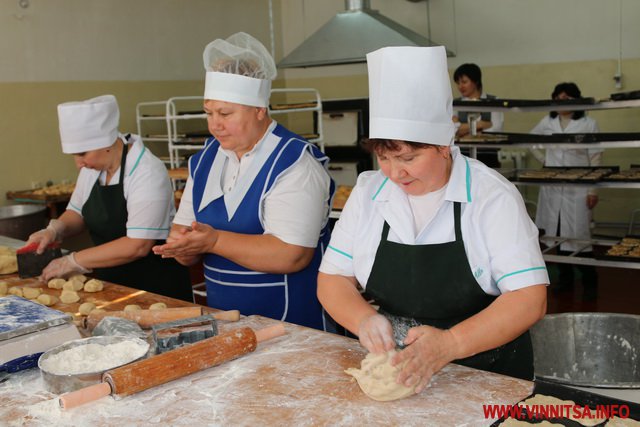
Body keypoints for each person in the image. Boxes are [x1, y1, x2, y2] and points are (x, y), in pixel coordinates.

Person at [317, 46, 548, 394]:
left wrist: (450, 343)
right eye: (384, 157)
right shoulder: (368, 193)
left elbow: (529, 298)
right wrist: (363, 319)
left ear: (443, 145)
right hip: (397, 366)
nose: (395, 173)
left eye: (408, 157)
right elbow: (332, 279)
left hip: (485, 372)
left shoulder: (490, 197)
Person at [152, 32, 335, 331]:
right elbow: (183, 232)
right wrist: (183, 249)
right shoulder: (206, 160)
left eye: (226, 113)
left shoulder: (294, 161)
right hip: (225, 319)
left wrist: (214, 240)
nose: (214, 125)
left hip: (291, 323)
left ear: (260, 110)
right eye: (209, 112)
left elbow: (292, 254)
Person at [27, 95, 192, 301]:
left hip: (155, 288)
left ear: (105, 143)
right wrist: (55, 229)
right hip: (112, 284)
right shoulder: (93, 168)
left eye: (82, 154)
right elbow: (77, 211)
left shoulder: (146, 171)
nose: (79, 164)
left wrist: (72, 261)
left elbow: (138, 245)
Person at [530, 82, 601, 301]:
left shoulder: (589, 123)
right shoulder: (548, 121)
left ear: (576, 100)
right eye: (558, 98)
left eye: (567, 98)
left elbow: (596, 156)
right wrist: (545, 161)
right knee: (557, 235)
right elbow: (531, 141)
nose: (562, 102)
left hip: (578, 189)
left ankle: (590, 282)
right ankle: (566, 280)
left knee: (580, 238)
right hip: (553, 189)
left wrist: (593, 190)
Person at [452, 63, 504, 167]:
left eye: (464, 82)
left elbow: (496, 129)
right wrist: (482, 124)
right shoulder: (455, 104)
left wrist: (463, 131)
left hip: (488, 156)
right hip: (462, 157)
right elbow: (453, 131)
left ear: (475, 81)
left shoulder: (493, 101)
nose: (460, 86)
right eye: (458, 83)